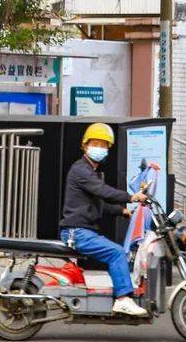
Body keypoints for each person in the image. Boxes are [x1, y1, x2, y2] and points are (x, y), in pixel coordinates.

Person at [59, 122, 148, 317]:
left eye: (103, 145)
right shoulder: (81, 170)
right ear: (85, 145)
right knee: (116, 253)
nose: (99, 148)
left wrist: (123, 211)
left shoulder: (90, 171)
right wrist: (131, 197)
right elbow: (104, 192)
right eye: (95, 144)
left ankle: (123, 294)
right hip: (77, 232)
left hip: (82, 230)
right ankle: (123, 299)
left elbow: (99, 203)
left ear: (108, 149)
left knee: (120, 251)